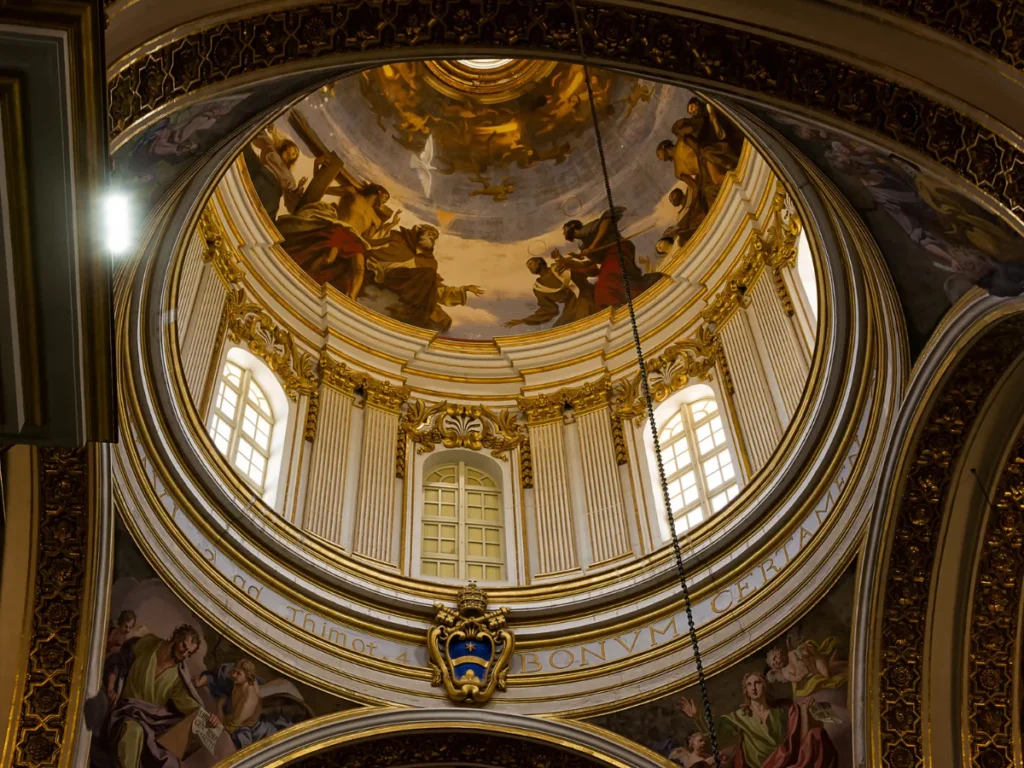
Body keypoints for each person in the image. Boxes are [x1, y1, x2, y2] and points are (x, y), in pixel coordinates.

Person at [103, 624, 217, 768]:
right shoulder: (148, 644)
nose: (184, 653)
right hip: (125, 712)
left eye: (188, 652)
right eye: (183, 646)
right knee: (133, 731)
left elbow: (188, 704)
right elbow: (121, 659)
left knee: (169, 761)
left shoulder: (178, 676)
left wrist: (209, 718)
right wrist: (111, 684)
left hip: (152, 724)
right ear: (176, 637)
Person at [678, 672, 837, 768]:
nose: (754, 688)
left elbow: (798, 733)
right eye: (749, 685)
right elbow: (718, 727)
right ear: (745, 690)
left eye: (757, 683)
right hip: (763, 766)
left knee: (817, 735)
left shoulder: (782, 710)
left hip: (787, 761)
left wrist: (806, 710)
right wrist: (698, 716)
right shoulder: (741, 716)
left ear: (765, 686)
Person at [366, 225, 484, 332]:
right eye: (430, 234)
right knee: (427, 274)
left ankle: (411, 318)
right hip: (389, 279)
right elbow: (372, 244)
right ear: (419, 232)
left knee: (444, 321)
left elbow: (435, 288)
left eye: (434, 237)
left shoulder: (429, 262)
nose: (432, 238)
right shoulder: (399, 238)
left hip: (411, 292)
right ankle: (406, 311)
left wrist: (463, 289)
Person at [556, 210, 664, 312]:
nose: (563, 233)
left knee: (608, 279)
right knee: (605, 285)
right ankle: (624, 302)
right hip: (610, 257)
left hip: (618, 249)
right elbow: (595, 259)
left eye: (564, 229)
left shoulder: (586, 229)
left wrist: (592, 246)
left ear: (572, 226)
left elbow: (606, 220)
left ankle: (617, 306)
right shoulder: (584, 243)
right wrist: (579, 256)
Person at [503, 255, 596, 329]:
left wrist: (567, 263)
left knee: (583, 313)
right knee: (560, 328)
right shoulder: (539, 288)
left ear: (539, 262)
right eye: (528, 266)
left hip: (585, 294)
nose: (529, 267)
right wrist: (525, 320)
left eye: (530, 264)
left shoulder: (559, 267)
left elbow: (585, 269)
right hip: (571, 305)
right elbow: (548, 309)